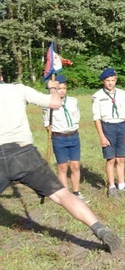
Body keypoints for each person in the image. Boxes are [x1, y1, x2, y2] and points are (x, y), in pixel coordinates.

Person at [1, 80, 121, 252]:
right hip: (23, 153)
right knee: (62, 195)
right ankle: (100, 229)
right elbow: (55, 103)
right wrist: (52, 87)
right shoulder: (17, 89)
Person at [42, 74, 88, 202]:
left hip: (73, 136)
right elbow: (47, 123)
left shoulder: (73, 101)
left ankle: (76, 192)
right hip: (59, 138)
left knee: (75, 166)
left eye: (64, 88)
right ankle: (65, 195)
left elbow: (77, 116)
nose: (62, 91)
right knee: (62, 167)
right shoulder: (48, 104)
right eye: (58, 88)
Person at [92, 68, 125, 197]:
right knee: (111, 159)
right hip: (107, 126)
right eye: (107, 80)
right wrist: (102, 136)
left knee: (121, 158)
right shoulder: (97, 96)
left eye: (113, 80)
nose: (110, 83)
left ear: (116, 80)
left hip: (121, 125)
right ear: (103, 81)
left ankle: (121, 184)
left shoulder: (122, 93)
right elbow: (96, 118)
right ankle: (111, 186)